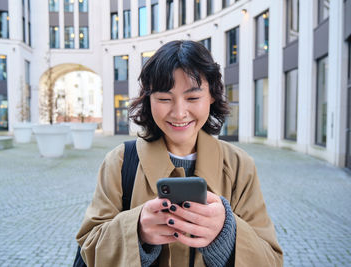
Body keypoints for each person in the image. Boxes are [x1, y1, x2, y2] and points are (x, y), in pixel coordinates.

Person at [76, 40, 283, 267]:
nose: (179, 113)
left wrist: (227, 234)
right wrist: (137, 231)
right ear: (148, 99)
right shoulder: (120, 161)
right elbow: (90, 247)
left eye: (193, 98)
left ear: (212, 95)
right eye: (164, 99)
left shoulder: (239, 165)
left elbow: (271, 259)